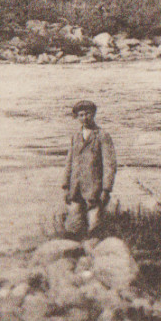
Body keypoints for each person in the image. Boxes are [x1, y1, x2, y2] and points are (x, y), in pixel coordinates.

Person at [62, 100, 116, 237]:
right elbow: (69, 162)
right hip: (76, 187)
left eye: (87, 114)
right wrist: (65, 186)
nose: (84, 118)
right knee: (73, 226)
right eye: (81, 115)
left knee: (95, 227)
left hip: (95, 189)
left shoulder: (102, 135)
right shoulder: (75, 136)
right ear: (77, 117)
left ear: (93, 114)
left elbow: (109, 164)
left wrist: (106, 189)